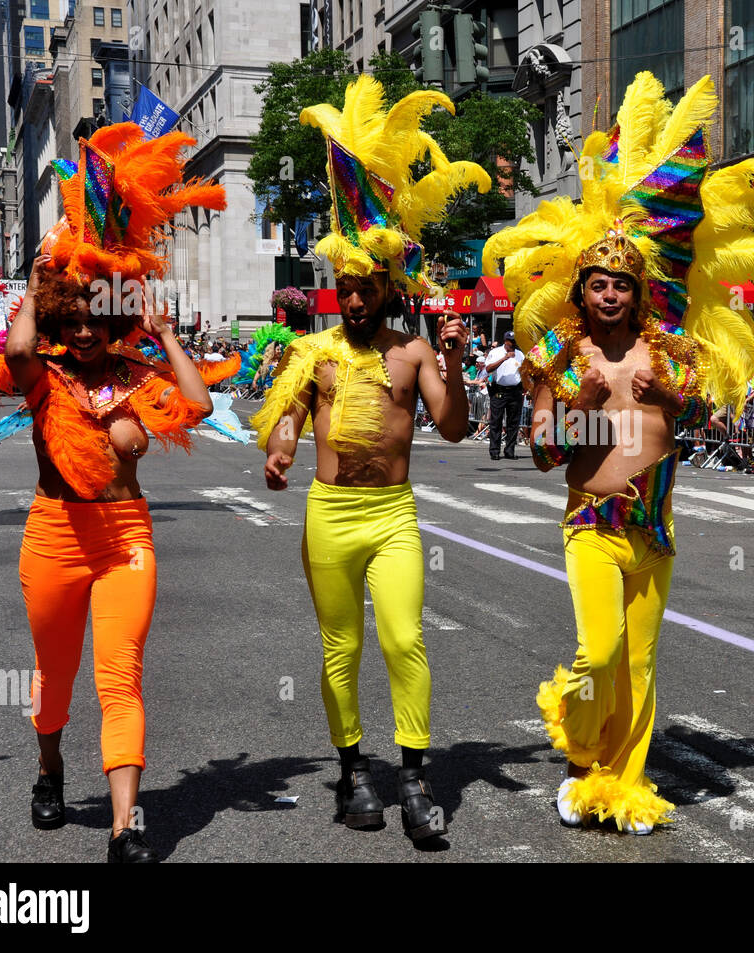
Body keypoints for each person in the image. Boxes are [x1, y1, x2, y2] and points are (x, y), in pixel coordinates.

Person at [484, 70, 754, 832]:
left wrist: (667, 400)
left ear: (638, 290)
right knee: (598, 657)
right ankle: (580, 756)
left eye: (620, 285)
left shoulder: (671, 349)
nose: (609, 296)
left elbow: (694, 419)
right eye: (597, 283)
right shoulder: (558, 349)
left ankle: (623, 782)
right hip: (592, 524)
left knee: (640, 664)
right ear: (581, 287)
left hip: (655, 530)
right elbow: (540, 452)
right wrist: (584, 408)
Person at [0, 123, 232, 862]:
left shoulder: (135, 371)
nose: (82, 330)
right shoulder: (43, 373)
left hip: (124, 539)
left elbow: (199, 406)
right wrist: (47, 268)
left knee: (121, 676)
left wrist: (163, 333)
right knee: (55, 674)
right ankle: (49, 768)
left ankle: (125, 823)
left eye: (93, 317)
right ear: (54, 312)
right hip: (53, 535)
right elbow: (15, 349)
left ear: (113, 314)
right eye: (68, 316)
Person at [256, 75, 488, 841]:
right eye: (344, 288)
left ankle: (415, 780)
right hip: (331, 514)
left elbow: (452, 431)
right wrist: (284, 447)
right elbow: (287, 415)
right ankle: (354, 769)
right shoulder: (314, 352)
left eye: (366, 290)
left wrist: (453, 363)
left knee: (402, 637)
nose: (353, 301)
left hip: (392, 516)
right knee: (341, 647)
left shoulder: (414, 352)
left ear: (388, 290)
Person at [485, 330, 524, 460]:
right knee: (496, 421)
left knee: (513, 422)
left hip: (515, 391)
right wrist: (504, 358)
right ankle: (495, 451)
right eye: (510, 341)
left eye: (514, 341)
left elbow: (524, 372)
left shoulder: (520, 354)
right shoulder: (495, 352)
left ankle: (510, 450)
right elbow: (488, 369)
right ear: (505, 341)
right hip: (499, 390)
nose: (512, 344)